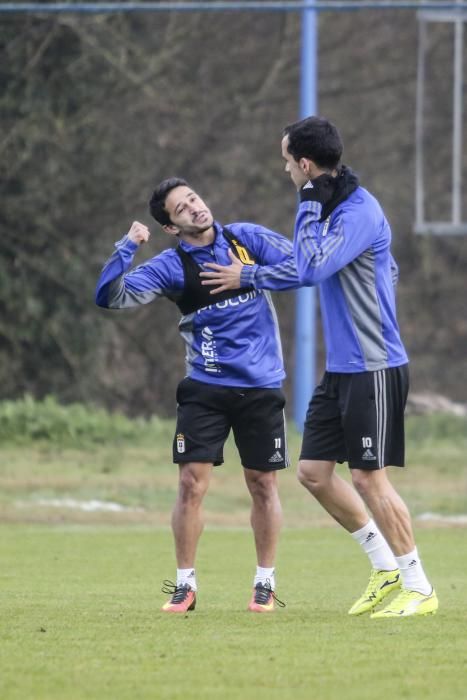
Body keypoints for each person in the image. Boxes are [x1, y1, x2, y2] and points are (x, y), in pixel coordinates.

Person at [95, 178, 299, 613]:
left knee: (263, 484)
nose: (193, 208)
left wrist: (249, 274)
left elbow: (304, 267)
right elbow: (110, 297)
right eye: (181, 208)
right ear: (171, 227)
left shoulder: (247, 239)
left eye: (193, 199)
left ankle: (265, 582)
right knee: (190, 485)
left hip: (261, 385)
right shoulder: (170, 267)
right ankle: (185, 586)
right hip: (205, 388)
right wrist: (127, 246)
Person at [280, 116, 438, 618]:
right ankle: (385, 566)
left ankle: (420, 587)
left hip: (375, 366)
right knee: (312, 472)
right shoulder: (334, 209)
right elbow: (310, 265)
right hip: (344, 370)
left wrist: (306, 202)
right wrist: (250, 274)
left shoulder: (356, 211)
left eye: (287, 162)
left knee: (371, 479)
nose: (285, 170)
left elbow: (310, 268)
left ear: (305, 165)